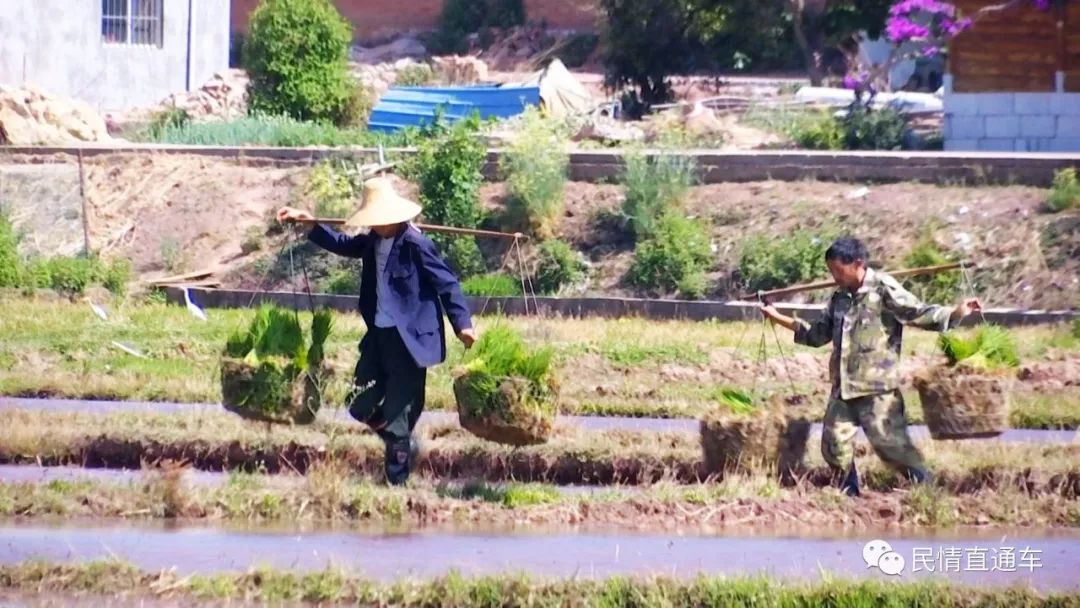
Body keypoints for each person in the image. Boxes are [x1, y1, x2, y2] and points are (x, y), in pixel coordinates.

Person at [277, 177, 476, 486]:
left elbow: (447, 284)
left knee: (398, 415)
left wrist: (463, 324)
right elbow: (343, 244)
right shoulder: (372, 240)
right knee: (359, 403)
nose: (377, 226)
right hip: (379, 335)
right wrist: (310, 224)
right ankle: (404, 446)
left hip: (409, 339)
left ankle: (396, 482)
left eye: (381, 221)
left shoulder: (416, 244)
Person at [760, 237, 981, 496]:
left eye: (838, 271)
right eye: (831, 271)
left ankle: (928, 489)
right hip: (843, 386)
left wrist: (955, 313)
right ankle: (849, 494)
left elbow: (917, 312)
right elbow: (818, 334)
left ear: (857, 264)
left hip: (877, 388)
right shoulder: (838, 298)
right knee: (834, 447)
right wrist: (779, 319)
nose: (834, 277)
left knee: (892, 448)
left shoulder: (884, 288)